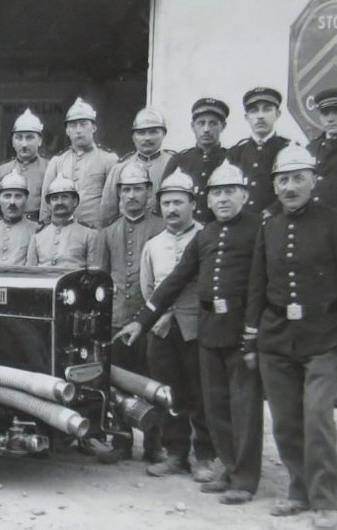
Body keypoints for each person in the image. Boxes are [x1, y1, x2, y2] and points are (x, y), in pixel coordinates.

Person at [243, 143, 337, 530]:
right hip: (278, 338)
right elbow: (257, 285)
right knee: (285, 420)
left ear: (314, 180)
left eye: (299, 177)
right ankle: (297, 491)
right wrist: (252, 339)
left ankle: (323, 499)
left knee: (318, 417)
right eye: (283, 179)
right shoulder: (270, 225)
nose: (290, 186)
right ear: (275, 186)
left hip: (324, 337)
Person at [117, 161, 264, 502]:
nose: (223, 199)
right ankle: (182, 455)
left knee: (222, 403)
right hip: (177, 329)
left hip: (218, 329)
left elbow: (260, 285)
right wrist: (143, 320)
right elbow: (168, 283)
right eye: (218, 193)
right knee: (183, 396)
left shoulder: (257, 229)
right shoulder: (201, 238)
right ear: (210, 199)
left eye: (230, 192)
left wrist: (255, 331)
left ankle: (217, 462)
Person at [134, 171, 215, 479]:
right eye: (166, 203)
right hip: (163, 329)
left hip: (197, 329)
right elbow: (148, 288)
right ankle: (176, 453)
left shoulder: (206, 236)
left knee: (201, 392)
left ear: (193, 204)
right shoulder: (154, 245)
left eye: (178, 202)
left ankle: (206, 455)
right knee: (169, 394)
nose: (172, 209)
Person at [94, 159, 166, 460]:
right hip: (117, 319)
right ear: (119, 194)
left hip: (152, 320)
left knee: (154, 381)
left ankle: (154, 445)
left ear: (149, 192)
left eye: (138, 189)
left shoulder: (161, 227)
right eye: (126, 190)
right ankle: (121, 442)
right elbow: (100, 278)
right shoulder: (108, 232)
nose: (132, 196)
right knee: (118, 381)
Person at [40, 97, 118, 226]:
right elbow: (45, 204)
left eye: (83, 124)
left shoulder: (109, 159)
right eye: (73, 125)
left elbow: (113, 202)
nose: (78, 130)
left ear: (93, 127)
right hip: (62, 231)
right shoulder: (57, 161)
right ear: (67, 131)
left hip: (96, 231)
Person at [99, 108, 175, 225]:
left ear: (164, 133)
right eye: (141, 133)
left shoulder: (174, 163)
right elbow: (108, 211)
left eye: (153, 132)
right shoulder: (121, 167)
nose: (147, 138)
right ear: (133, 136)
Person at [163, 98, 229, 225]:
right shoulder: (179, 160)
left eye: (213, 123)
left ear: (223, 126)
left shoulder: (230, 158)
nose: (206, 129)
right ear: (193, 126)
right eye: (201, 123)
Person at [224, 87, 290, 215]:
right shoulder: (235, 153)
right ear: (247, 117)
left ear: (277, 114)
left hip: (278, 221)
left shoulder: (288, 149)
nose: (260, 116)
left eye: (267, 109)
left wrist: (271, 211)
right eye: (254, 111)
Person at [0, 108, 49, 225]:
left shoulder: (49, 168)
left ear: (39, 140)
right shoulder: (1, 171)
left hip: (39, 229)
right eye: (19, 137)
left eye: (29, 137)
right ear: (13, 142)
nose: (24, 144)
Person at [27, 175, 104, 270]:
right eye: (55, 198)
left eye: (64, 197)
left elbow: (95, 274)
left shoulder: (90, 234)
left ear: (75, 201)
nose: (59, 202)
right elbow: (30, 272)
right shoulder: (38, 235)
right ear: (49, 204)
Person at [0, 171, 38, 266]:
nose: (12, 202)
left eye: (18, 196)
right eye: (7, 196)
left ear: (26, 199)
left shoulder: (36, 230)